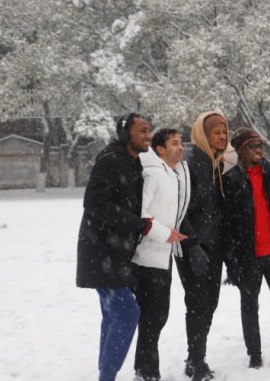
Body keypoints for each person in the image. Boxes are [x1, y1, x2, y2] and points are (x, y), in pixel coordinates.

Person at [76, 113, 152, 381]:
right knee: (127, 313)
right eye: (142, 131)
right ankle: (106, 376)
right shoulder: (111, 160)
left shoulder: (132, 161)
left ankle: (105, 375)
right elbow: (94, 204)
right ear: (125, 133)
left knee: (112, 315)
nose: (148, 135)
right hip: (101, 252)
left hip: (116, 252)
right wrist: (136, 223)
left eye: (149, 131)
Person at [221, 127, 270, 369]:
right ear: (240, 150)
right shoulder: (231, 179)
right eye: (251, 146)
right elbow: (228, 225)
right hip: (248, 256)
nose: (258, 150)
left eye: (259, 145)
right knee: (249, 305)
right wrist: (232, 260)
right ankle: (254, 354)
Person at [132, 129, 190, 381]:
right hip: (145, 255)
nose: (181, 147)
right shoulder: (152, 174)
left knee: (156, 316)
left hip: (162, 255)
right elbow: (141, 214)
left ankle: (144, 369)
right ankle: (147, 372)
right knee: (153, 316)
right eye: (174, 144)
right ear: (160, 150)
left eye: (181, 143)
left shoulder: (172, 174)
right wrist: (166, 234)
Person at [176, 111, 230, 381]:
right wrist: (193, 244)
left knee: (210, 303)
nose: (222, 137)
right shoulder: (189, 165)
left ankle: (194, 355)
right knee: (197, 303)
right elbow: (180, 209)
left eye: (224, 132)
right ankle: (197, 361)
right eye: (216, 133)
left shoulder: (220, 163)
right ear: (203, 135)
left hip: (215, 246)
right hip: (193, 247)